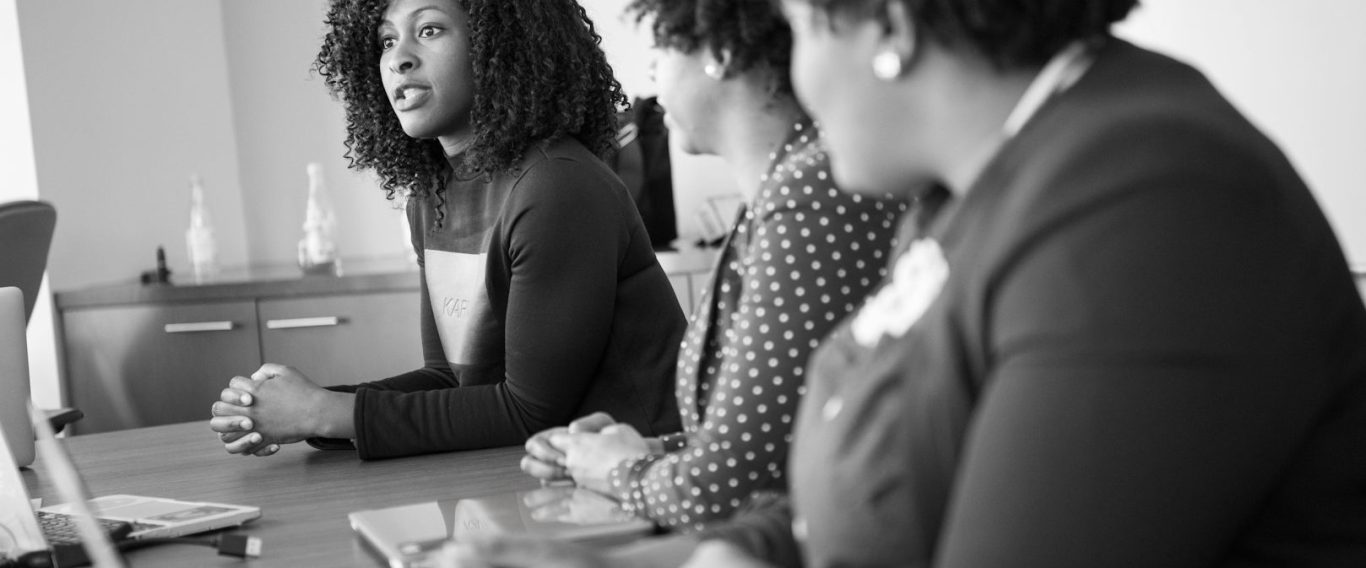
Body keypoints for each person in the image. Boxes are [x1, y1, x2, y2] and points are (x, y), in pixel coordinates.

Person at [456, 0, 1366, 566]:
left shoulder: (1153, 202)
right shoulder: (956, 196)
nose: (797, 79)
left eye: (804, 28)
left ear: (887, 23)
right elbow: (856, 504)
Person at [206, 0, 686, 461]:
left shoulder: (557, 184)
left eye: (429, 30)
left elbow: (530, 411)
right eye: (386, 39)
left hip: (641, 480)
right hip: (534, 471)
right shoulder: (431, 196)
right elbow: (450, 380)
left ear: (500, 42)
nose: (399, 58)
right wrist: (305, 411)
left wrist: (327, 413)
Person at [519, 0, 905, 532]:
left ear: (721, 53)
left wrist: (619, 469)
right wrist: (648, 447)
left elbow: (729, 490)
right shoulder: (780, 192)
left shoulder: (808, 194)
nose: (652, 73)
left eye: (661, 47)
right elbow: (777, 433)